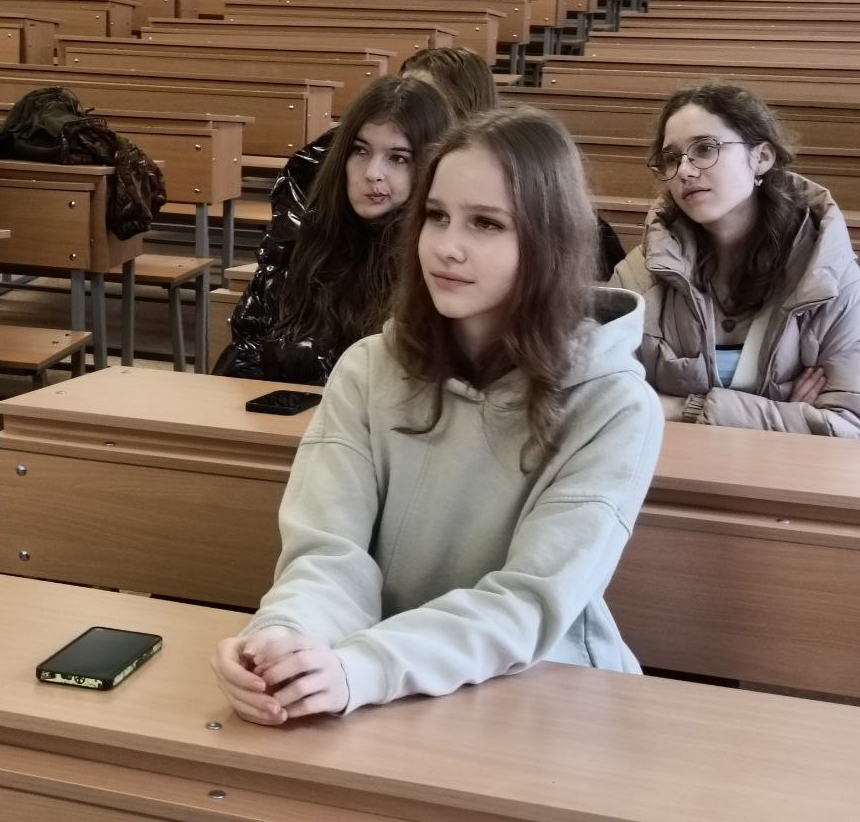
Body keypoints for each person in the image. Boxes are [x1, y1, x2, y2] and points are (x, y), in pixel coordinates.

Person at [211, 107, 663, 723]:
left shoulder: (613, 405)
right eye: (435, 215)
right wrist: (286, 639)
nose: (447, 247)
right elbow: (327, 554)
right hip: (374, 682)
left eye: (486, 223)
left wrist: (363, 667)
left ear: (547, 241)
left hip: (538, 693)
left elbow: (528, 602)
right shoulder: (368, 369)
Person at [610, 83, 860, 437]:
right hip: (669, 468)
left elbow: (848, 426)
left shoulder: (830, 277)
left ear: (762, 157)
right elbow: (603, 401)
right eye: (672, 158)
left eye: (705, 148)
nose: (684, 170)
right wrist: (787, 413)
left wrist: (682, 407)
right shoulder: (639, 275)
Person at [212, 75, 452, 382]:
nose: (373, 173)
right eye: (360, 151)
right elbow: (250, 347)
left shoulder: (437, 260)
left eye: (398, 158)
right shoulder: (306, 235)